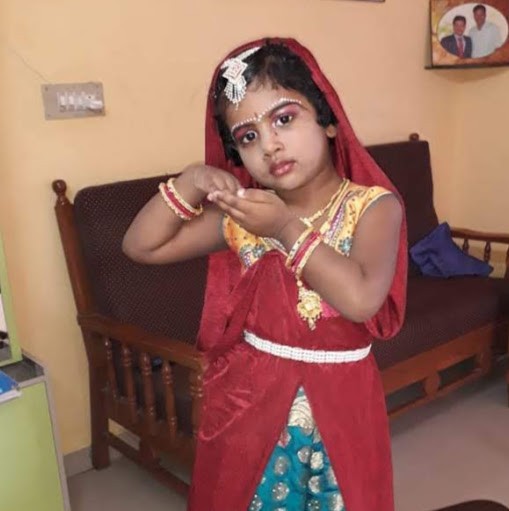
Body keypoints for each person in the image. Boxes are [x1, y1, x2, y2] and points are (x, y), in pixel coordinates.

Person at [122, 37, 407, 511]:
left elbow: (360, 300)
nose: (270, 145)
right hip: (250, 403)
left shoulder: (373, 207)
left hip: (341, 398)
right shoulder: (245, 215)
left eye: (284, 119)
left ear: (328, 120)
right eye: (248, 137)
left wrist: (284, 228)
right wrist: (190, 181)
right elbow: (141, 246)